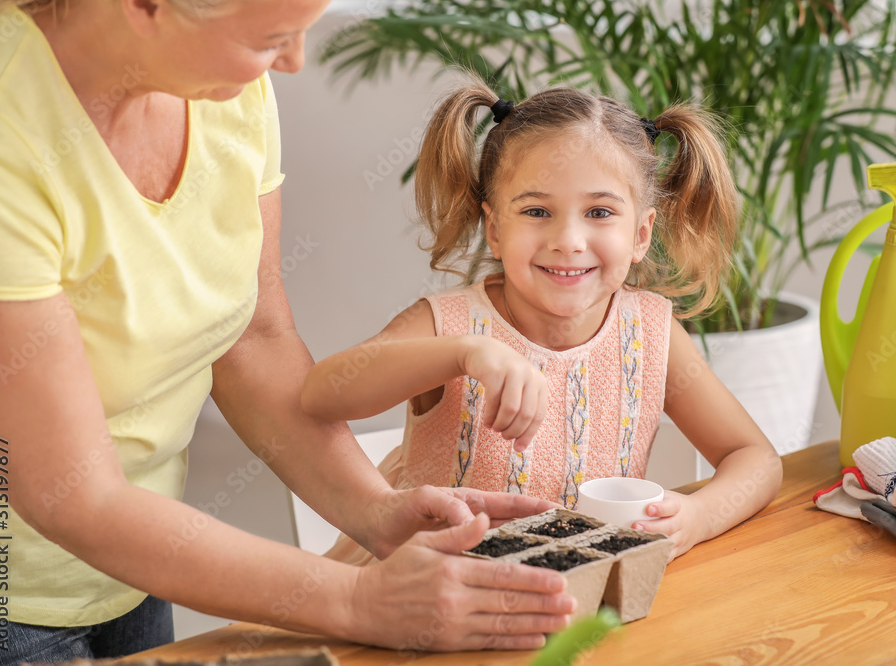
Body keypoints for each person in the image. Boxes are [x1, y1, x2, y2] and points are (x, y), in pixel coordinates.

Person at [0, 1, 578, 664]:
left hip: (137, 572)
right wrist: (359, 600)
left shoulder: (219, 88)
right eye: (273, 38)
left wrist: (377, 510)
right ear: (146, 7)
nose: (295, 61)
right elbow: (74, 496)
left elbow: (254, 341)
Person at [302, 81, 784, 566]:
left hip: (570, 598)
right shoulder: (447, 324)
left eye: (599, 212)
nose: (568, 239)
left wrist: (699, 515)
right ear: (494, 229)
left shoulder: (650, 331)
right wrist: (466, 353)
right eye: (536, 211)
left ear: (641, 234)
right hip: (420, 592)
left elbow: (754, 457)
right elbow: (322, 394)